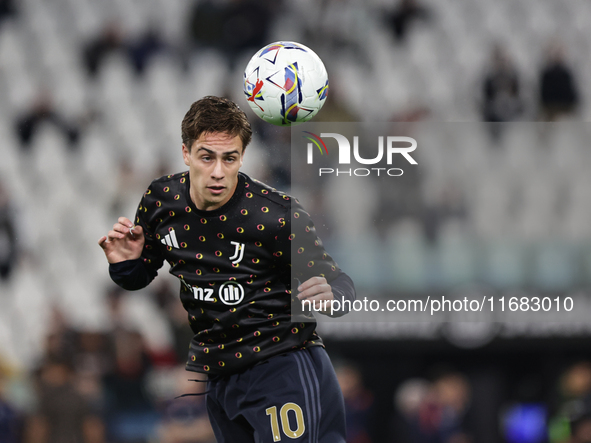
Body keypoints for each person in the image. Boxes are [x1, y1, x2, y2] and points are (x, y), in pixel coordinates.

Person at [98, 96, 355, 442]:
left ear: (242, 157)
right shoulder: (161, 201)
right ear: (186, 153)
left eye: (229, 158)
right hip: (221, 378)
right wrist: (125, 264)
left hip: (282, 367)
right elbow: (141, 274)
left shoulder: (276, 216)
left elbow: (339, 283)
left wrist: (332, 295)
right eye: (207, 156)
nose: (218, 171)